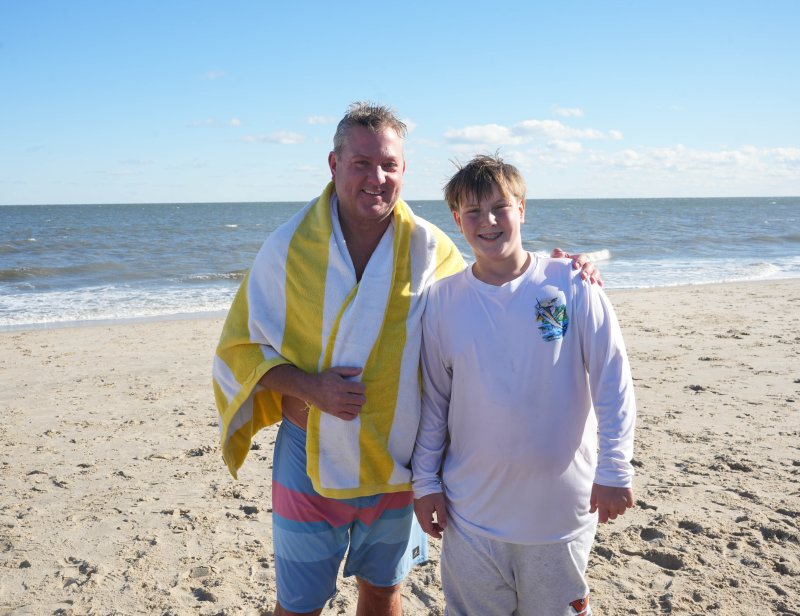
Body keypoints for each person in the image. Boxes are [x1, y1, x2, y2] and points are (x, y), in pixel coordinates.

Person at [213, 103, 602, 616]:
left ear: (403, 170)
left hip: (396, 463)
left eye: (389, 165)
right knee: (298, 604)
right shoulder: (285, 249)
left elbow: (487, 290)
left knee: (382, 592)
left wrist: (557, 272)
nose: (376, 177)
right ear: (334, 164)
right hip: (306, 459)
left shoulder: (429, 247)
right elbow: (241, 348)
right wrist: (311, 388)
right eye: (361, 163)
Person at [412, 154, 636, 616]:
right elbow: (435, 400)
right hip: (472, 516)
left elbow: (612, 377)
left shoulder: (571, 282)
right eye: (473, 212)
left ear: (522, 209)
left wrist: (615, 468)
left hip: (558, 516)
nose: (488, 222)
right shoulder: (442, 300)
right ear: (457, 220)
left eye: (500, 207)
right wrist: (425, 481)